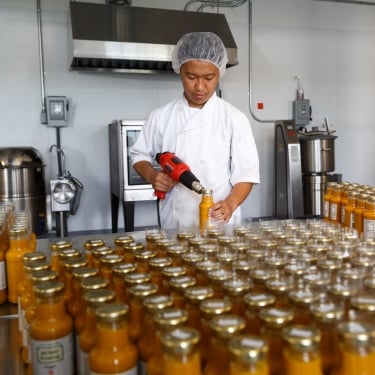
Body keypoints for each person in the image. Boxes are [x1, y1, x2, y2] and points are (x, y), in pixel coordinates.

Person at [130, 31, 259, 231]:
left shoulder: (234, 118)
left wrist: (230, 204)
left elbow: (246, 175)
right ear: (179, 71)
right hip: (175, 221)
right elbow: (139, 156)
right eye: (191, 77)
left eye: (209, 77)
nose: (199, 87)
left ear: (220, 73)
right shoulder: (161, 116)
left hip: (219, 221)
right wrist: (152, 176)